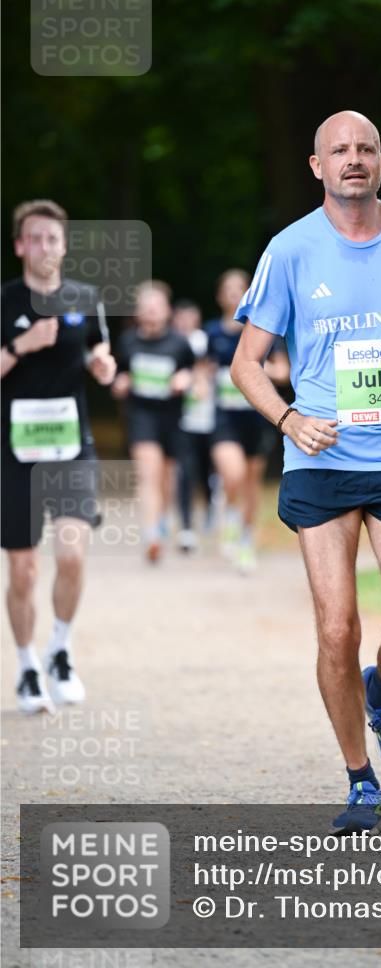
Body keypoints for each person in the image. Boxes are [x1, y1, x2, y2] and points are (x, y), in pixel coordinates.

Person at [231, 110, 381, 828]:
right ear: (317, 166)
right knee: (335, 628)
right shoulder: (290, 249)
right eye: (339, 150)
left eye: (365, 148)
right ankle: (359, 779)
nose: (353, 159)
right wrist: (287, 419)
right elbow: (246, 362)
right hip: (321, 458)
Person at [1, 199, 116, 713]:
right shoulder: (5, 302)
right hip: (14, 451)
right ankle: (26, 665)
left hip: (71, 448)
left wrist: (102, 365)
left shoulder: (85, 298)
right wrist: (21, 345)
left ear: (64, 245)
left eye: (54, 238)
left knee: (71, 555)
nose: (45, 246)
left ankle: (60, 649)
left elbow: (99, 350)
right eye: (35, 238)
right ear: (20, 245)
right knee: (23, 570)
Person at [206, 269, 289, 572]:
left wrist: (253, 372)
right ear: (219, 296)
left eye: (238, 288)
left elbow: (283, 372)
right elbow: (202, 370)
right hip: (224, 417)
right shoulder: (212, 332)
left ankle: (245, 538)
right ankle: (227, 513)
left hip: (258, 416)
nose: (232, 294)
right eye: (227, 289)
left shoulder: (264, 331)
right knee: (234, 473)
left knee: (252, 481)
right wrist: (199, 383)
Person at [112, 282, 194, 563]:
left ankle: (161, 519)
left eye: (156, 307)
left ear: (167, 311)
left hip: (171, 417)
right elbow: (118, 374)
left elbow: (192, 373)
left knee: (167, 476)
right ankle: (152, 534)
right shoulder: (127, 341)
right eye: (145, 308)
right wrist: (119, 383)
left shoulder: (180, 343)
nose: (150, 312)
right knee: (148, 471)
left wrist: (185, 380)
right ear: (137, 312)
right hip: (140, 415)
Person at [171, 299, 216, 553]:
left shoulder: (205, 339)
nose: (185, 322)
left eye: (190, 317)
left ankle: (211, 503)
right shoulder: (171, 342)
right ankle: (186, 528)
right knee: (184, 473)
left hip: (209, 418)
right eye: (181, 318)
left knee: (205, 469)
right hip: (182, 420)